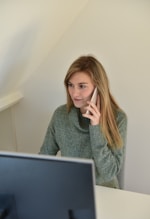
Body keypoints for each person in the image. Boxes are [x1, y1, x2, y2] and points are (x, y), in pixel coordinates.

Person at [40, 55, 127, 188]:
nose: (74, 93)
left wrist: (96, 127)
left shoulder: (118, 119)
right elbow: (44, 158)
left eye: (82, 86)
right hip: (71, 189)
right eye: (70, 85)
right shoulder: (60, 115)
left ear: (98, 87)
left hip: (106, 192)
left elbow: (109, 172)